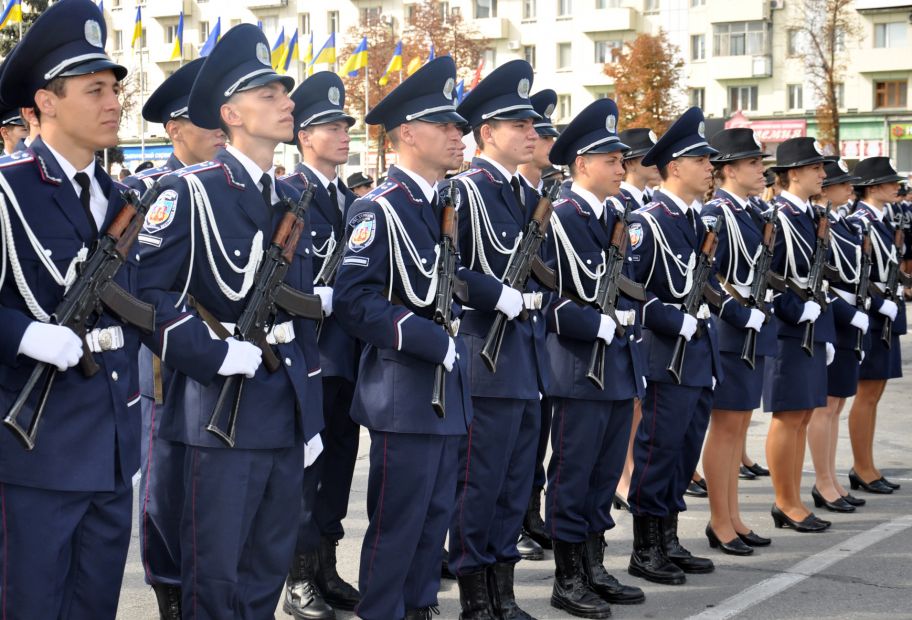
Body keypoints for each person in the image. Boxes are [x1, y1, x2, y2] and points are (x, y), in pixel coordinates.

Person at [134, 24, 326, 618]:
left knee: (267, 566)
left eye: (283, 94)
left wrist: (309, 412)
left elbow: (295, 315)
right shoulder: (190, 191)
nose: (287, 103)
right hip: (221, 412)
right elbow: (143, 293)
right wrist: (214, 354)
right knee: (215, 576)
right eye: (269, 95)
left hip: (282, 407)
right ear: (232, 114)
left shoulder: (290, 198)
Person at [333, 56, 499, 620]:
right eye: (448, 127)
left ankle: (419, 605)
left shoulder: (438, 205)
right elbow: (355, 301)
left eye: (460, 127)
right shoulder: (376, 208)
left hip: (446, 387)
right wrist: (429, 341)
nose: (460, 137)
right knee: (399, 520)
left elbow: (442, 279)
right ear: (409, 133)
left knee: (434, 517)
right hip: (404, 388)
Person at [0, 2, 140, 617]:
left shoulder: (121, 198)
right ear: (47, 102)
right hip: (36, 448)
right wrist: (22, 335)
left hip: (111, 450)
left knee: (94, 606)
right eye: (94, 90)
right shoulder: (9, 189)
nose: (113, 103)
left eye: (113, 88)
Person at [120, 56, 226, 618]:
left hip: (224, 358)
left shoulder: (230, 189)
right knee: (164, 483)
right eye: (204, 122)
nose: (217, 131)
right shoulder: (149, 190)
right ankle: (169, 592)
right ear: (174, 128)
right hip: (163, 359)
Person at [446, 59, 551, 620]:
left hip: (525, 359)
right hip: (483, 358)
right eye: (519, 125)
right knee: (479, 483)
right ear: (487, 133)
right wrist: (495, 294)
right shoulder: (466, 191)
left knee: (515, 482)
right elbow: (449, 269)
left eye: (532, 125)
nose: (532, 134)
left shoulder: (520, 192)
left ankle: (503, 591)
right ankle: (475, 598)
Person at [543, 97, 646, 619]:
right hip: (577, 367)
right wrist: (594, 323)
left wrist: (625, 317)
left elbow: (625, 286)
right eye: (611, 160)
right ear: (582, 163)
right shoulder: (560, 217)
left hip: (618, 366)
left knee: (604, 476)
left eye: (622, 160)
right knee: (573, 474)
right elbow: (545, 296)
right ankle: (568, 576)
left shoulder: (616, 215)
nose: (621, 168)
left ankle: (595, 564)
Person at [625, 107, 721, 585]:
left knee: (684, 454)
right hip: (666, 356)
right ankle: (645, 546)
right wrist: (673, 319)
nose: (710, 168)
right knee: (658, 453)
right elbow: (629, 294)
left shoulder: (697, 221)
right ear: (675, 166)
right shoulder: (649, 222)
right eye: (701, 160)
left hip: (698, 355)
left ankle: (668, 537)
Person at [280, 70, 361, 619]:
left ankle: (328, 566)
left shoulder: (351, 199)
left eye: (345, 125)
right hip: (310, 352)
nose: (343, 134)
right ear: (305, 136)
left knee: (339, 466)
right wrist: (316, 295)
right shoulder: (290, 194)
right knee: (307, 472)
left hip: (349, 352)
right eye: (331, 126)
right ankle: (299, 577)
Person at [699, 128, 775, 556]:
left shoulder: (750, 211)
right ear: (728, 169)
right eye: (753, 163)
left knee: (739, 427)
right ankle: (719, 520)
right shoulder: (718, 213)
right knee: (725, 430)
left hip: (752, 329)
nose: (761, 170)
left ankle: (734, 516)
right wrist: (740, 312)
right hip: (730, 332)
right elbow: (710, 278)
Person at [763, 136, 834, 533]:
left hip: (812, 328)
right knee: (788, 417)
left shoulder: (810, 215)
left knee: (804, 415)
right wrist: (795, 311)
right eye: (815, 168)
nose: (823, 175)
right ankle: (784, 501)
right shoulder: (777, 217)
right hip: (790, 331)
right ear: (793, 174)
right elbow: (765, 279)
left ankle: (793, 498)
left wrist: (822, 327)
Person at [806, 158, 868, 513]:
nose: (850, 188)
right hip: (833, 318)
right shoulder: (818, 222)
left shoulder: (841, 222)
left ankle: (831, 478)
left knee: (837, 405)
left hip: (846, 320)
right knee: (825, 408)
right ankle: (822, 481)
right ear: (825, 188)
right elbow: (820, 281)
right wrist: (848, 314)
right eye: (842, 183)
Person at [846, 156, 908, 495]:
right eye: (889, 182)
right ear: (872, 187)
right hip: (870, 316)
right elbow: (858, 273)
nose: (895, 187)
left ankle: (868, 465)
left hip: (887, 314)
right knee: (866, 394)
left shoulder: (885, 218)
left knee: (876, 392)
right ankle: (861, 466)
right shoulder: (860, 222)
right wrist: (876, 298)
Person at [516, 87, 560, 560]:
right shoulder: (514, 197)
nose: (542, 141)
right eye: (539, 134)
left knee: (535, 440)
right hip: (511, 340)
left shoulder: (547, 197)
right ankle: (517, 523)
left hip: (539, 335)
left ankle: (530, 515)